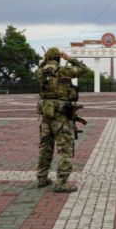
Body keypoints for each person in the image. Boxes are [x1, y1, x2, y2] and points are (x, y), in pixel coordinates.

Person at [35, 47, 87, 192]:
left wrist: (44, 62)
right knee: (65, 148)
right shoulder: (63, 71)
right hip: (61, 115)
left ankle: (42, 177)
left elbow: (40, 69)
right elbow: (83, 69)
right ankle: (61, 182)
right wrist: (69, 59)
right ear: (58, 58)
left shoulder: (40, 72)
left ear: (47, 58)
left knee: (45, 147)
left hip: (46, 114)